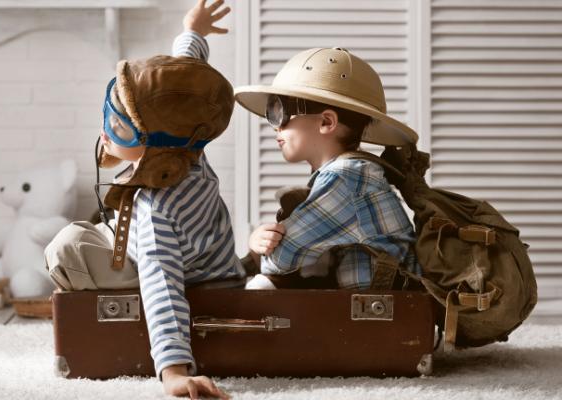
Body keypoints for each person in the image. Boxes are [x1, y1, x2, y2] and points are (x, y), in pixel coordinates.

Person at [45, 1, 242, 399]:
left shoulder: (157, 210)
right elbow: (181, 79)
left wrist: (173, 371)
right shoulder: (189, 144)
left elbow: (161, 284)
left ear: (157, 149)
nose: (106, 129)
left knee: (66, 247)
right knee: (92, 230)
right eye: (110, 114)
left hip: (188, 275)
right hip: (206, 257)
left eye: (120, 127)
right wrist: (195, 31)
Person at [235, 47, 422, 290]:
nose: (275, 127)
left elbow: (281, 260)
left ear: (326, 122)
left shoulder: (346, 178)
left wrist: (256, 245)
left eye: (280, 112)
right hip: (373, 316)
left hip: (387, 319)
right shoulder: (353, 172)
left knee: (259, 289)